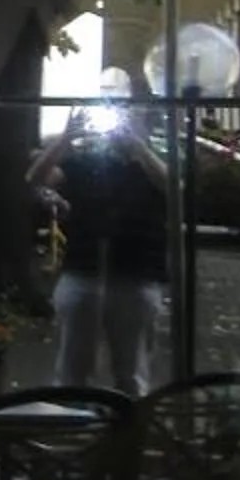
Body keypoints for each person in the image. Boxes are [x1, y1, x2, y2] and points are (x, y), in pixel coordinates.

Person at [26, 102, 169, 392]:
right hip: (83, 271)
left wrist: (138, 146)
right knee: (73, 369)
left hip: (135, 275)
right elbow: (35, 178)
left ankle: (130, 418)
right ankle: (74, 415)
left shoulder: (149, 166)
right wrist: (65, 140)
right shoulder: (84, 164)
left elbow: (172, 185)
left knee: (131, 370)